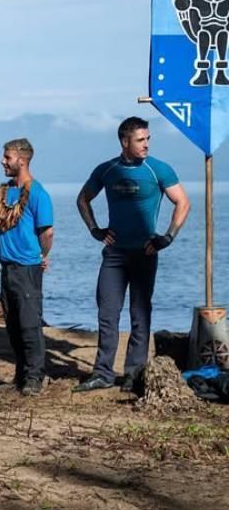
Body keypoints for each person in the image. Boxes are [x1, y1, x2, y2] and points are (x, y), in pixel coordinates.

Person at [74, 117, 190, 392]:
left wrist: (167, 237)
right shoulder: (108, 170)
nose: (146, 144)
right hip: (114, 254)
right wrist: (95, 230)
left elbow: (183, 202)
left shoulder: (157, 169)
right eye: (141, 140)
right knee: (107, 312)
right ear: (125, 141)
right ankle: (103, 373)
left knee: (140, 314)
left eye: (148, 139)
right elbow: (83, 199)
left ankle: (134, 373)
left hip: (144, 252)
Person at [0, 139, 54, 396]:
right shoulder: (6, 193)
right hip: (7, 267)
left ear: (22, 160)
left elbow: (47, 232)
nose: (3, 162)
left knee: (30, 325)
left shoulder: (38, 193)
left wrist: (42, 254)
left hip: (28, 268)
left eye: (7, 157)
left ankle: (35, 379)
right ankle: (20, 377)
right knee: (14, 325)